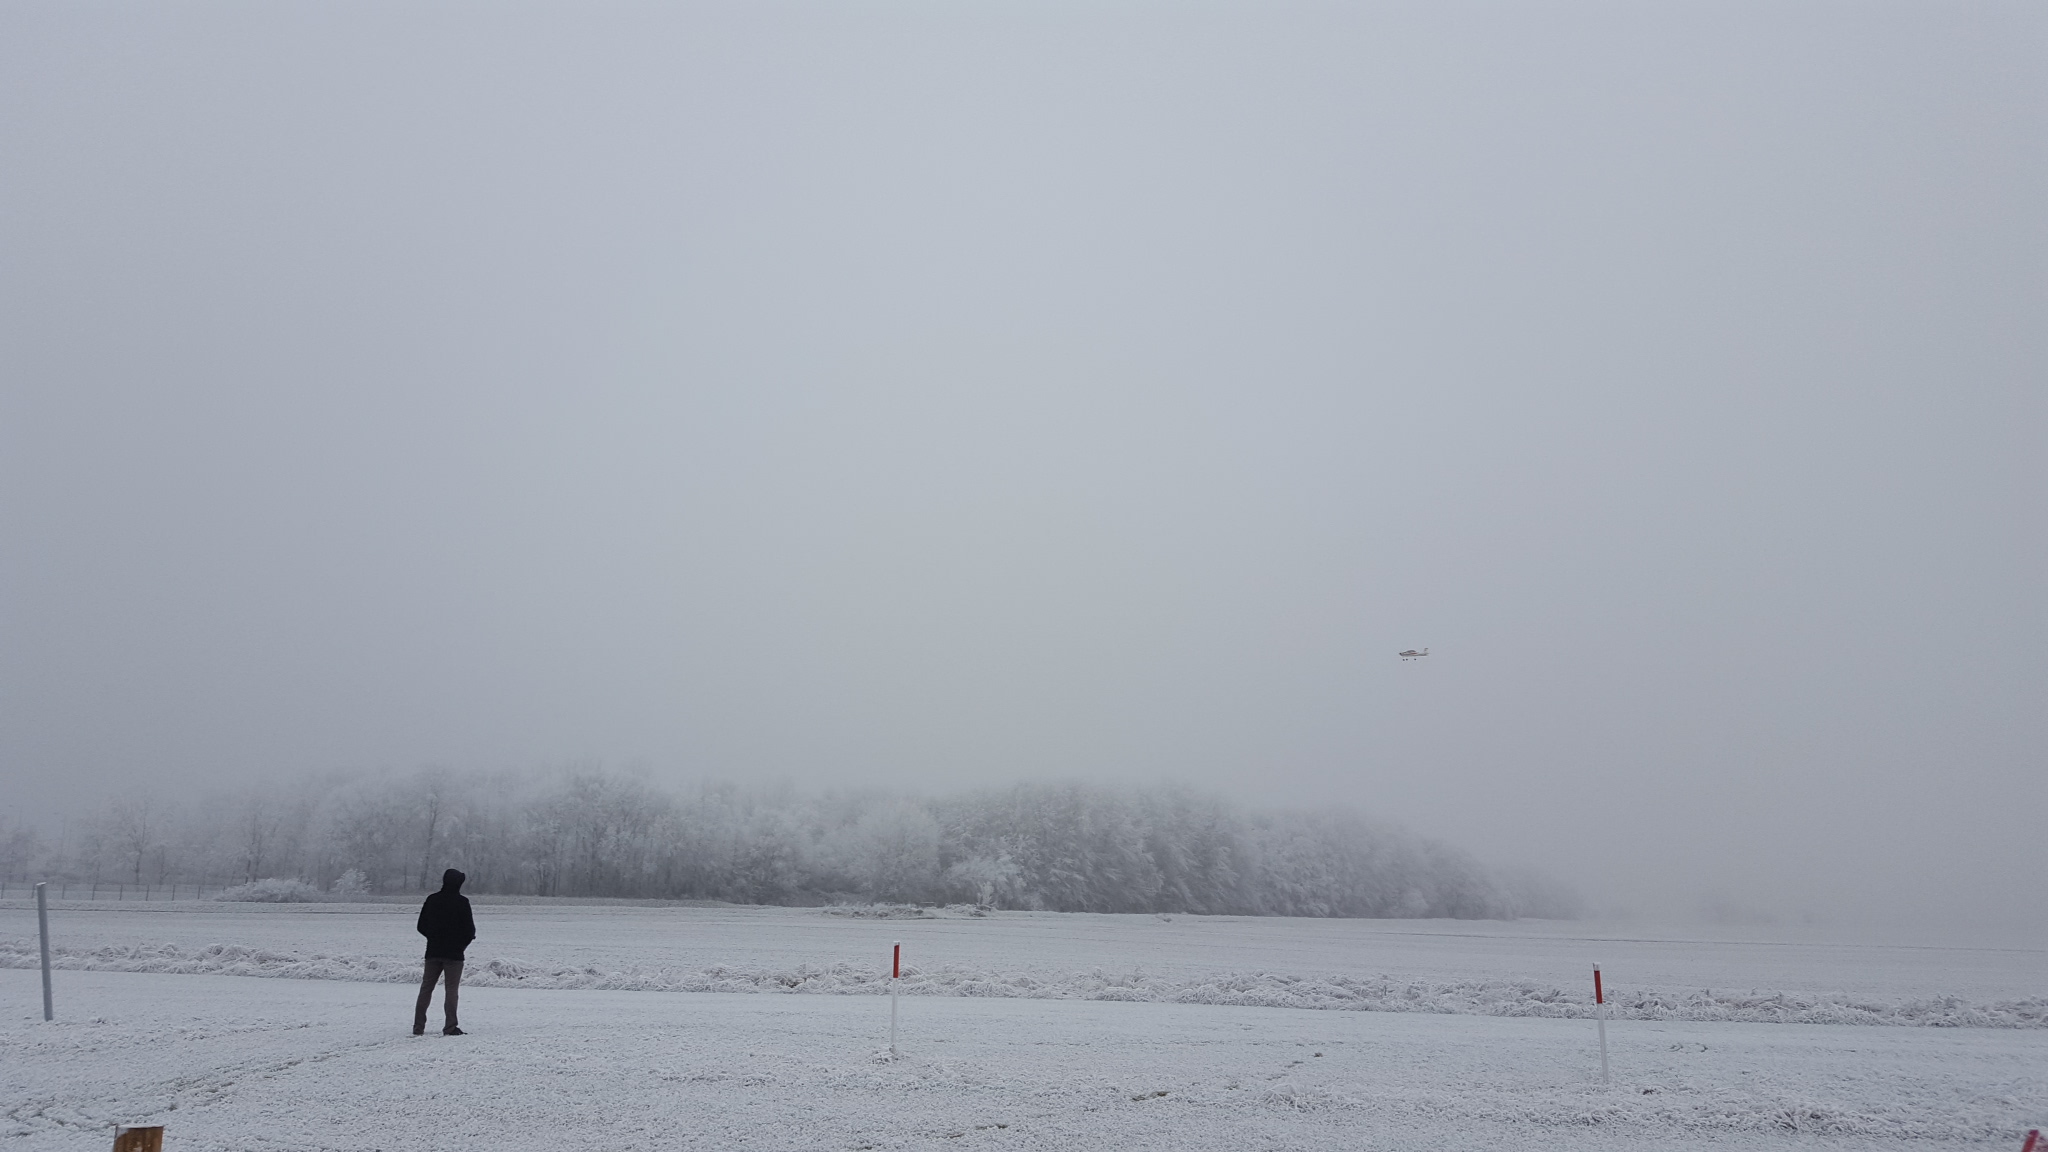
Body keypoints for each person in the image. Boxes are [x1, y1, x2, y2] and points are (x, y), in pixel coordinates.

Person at [413, 868, 476, 1036]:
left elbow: (421, 926)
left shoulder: (432, 899)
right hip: (454, 954)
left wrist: (433, 937)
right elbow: (469, 930)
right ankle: (450, 1027)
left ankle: (418, 1027)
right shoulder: (462, 902)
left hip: (433, 951)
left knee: (426, 988)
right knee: (451, 990)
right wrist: (461, 945)